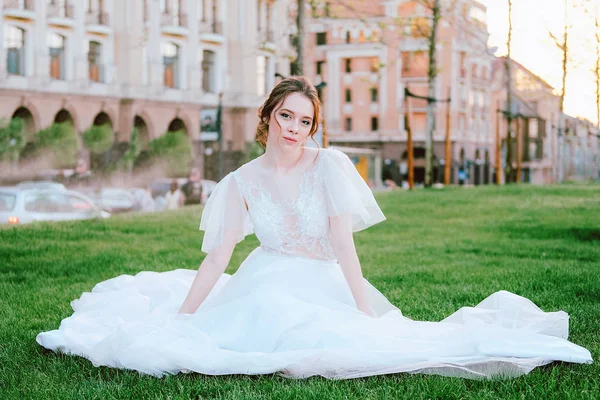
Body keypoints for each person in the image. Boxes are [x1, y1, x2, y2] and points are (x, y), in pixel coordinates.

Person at [37, 77, 592, 379]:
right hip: (264, 277)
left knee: (349, 338)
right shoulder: (239, 182)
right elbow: (218, 257)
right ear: (268, 117)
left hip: (322, 276)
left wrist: (364, 306)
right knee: (266, 320)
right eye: (287, 116)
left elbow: (343, 245)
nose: (296, 128)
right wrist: (183, 319)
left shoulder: (329, 165)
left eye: (306, 121)